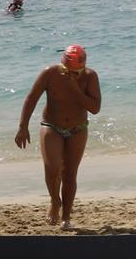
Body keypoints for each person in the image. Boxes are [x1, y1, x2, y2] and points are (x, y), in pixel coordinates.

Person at [15, 44, 103, 230]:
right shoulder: (50, 73)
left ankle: (66, 216)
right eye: (67, 71)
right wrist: (23, 127)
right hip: (51, 126)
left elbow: (95, 108)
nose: (71, 74)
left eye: (76, 72)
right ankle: (55, 201)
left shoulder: (89, 76)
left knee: (70, 173)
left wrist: (75, 89)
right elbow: (31, 98)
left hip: (78, 129)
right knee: (52, 167)